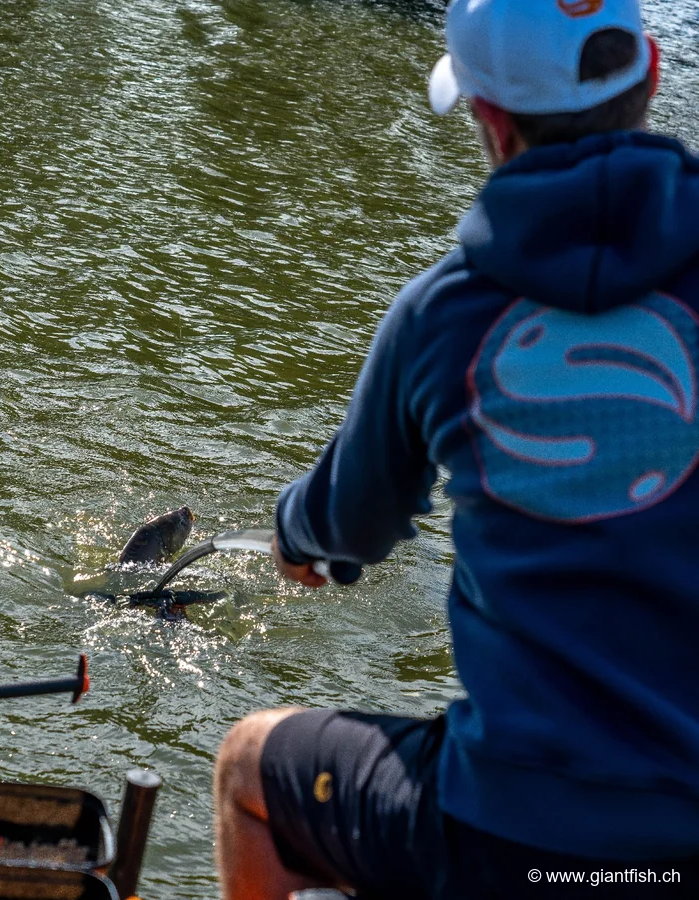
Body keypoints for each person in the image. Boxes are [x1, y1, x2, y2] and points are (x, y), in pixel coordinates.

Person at [214, 0, 699, 897]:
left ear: (490, 119)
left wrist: (295, 536)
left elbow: (348, 526)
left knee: (249, 766)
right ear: (654, 70)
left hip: (510, 834)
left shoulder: (443, 314)